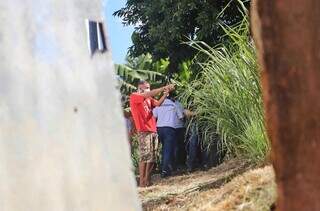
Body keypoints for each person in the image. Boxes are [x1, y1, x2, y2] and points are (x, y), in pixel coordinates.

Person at [130, 80, 174, 187]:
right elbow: (149, 94)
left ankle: (147, 180)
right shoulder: (134, 96)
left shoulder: (149, 99)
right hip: (144, 131)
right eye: (145, 88)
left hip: (153, 130)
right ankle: (141, 182)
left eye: (148, 87)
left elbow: (158, 103)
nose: (147, 90)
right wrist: (164, 87)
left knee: (152, 157)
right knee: (144, 157)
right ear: (139, 89)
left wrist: (165, 93)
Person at [153, 93, 184, 177]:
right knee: (168, 150)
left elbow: (154, 115)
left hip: (159, 129)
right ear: (172, 97)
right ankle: (165, 170)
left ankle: (162, 167)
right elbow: (181, 117)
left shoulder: (159, 105)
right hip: (169, 129)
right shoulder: (174, 105)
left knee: (163, 149)